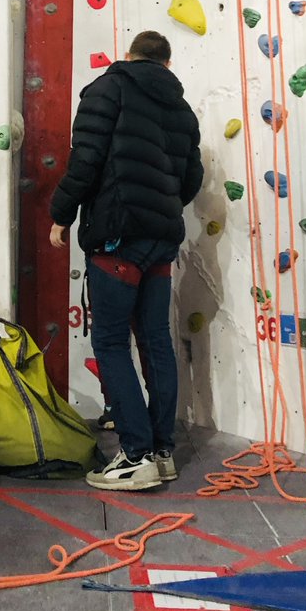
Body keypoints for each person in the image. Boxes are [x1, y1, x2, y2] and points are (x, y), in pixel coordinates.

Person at [49, 31, 203, 491]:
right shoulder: (182, 109)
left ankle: (136, 455)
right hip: (161, 240)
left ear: (129, 56)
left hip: (118, 236)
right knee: (156, 341)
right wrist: (160, 208)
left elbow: (86, 160)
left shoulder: (107, 89)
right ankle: (161, 452)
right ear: (167, 64)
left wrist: (61, 214)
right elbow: (191, 177)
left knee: (111, 342)